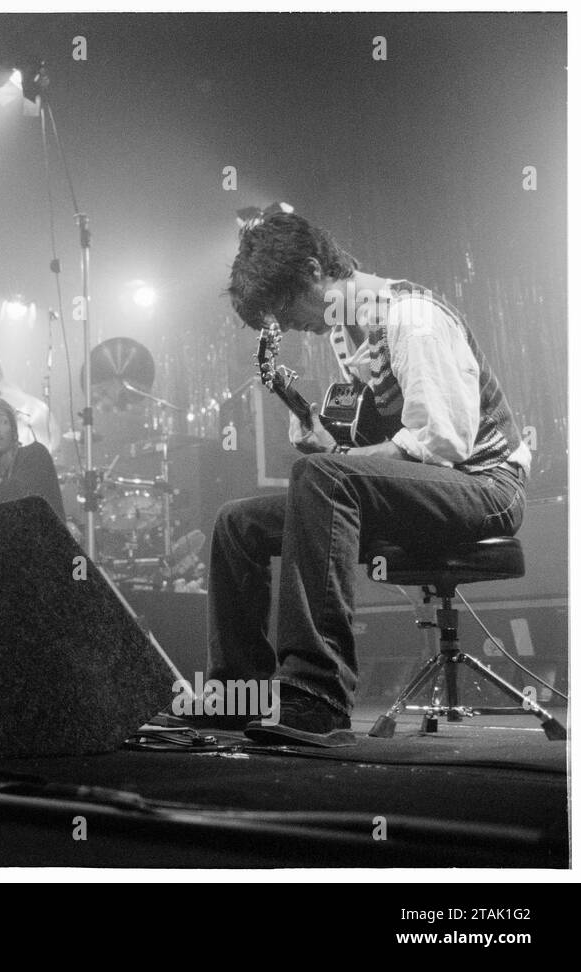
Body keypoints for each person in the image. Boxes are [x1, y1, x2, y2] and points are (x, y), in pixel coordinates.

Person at [167, 211, 531, 747]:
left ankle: (318, 693)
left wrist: (333, 463)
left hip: (486, 486)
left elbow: (440, 445)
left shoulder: (412, 318)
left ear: (315, 270)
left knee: (320, 477)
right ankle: (235, 693)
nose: (290, 327)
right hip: (433, 483)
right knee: (236, 523)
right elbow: (374, 460)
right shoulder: (348, 333)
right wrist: (333, 449)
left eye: (287, 308)